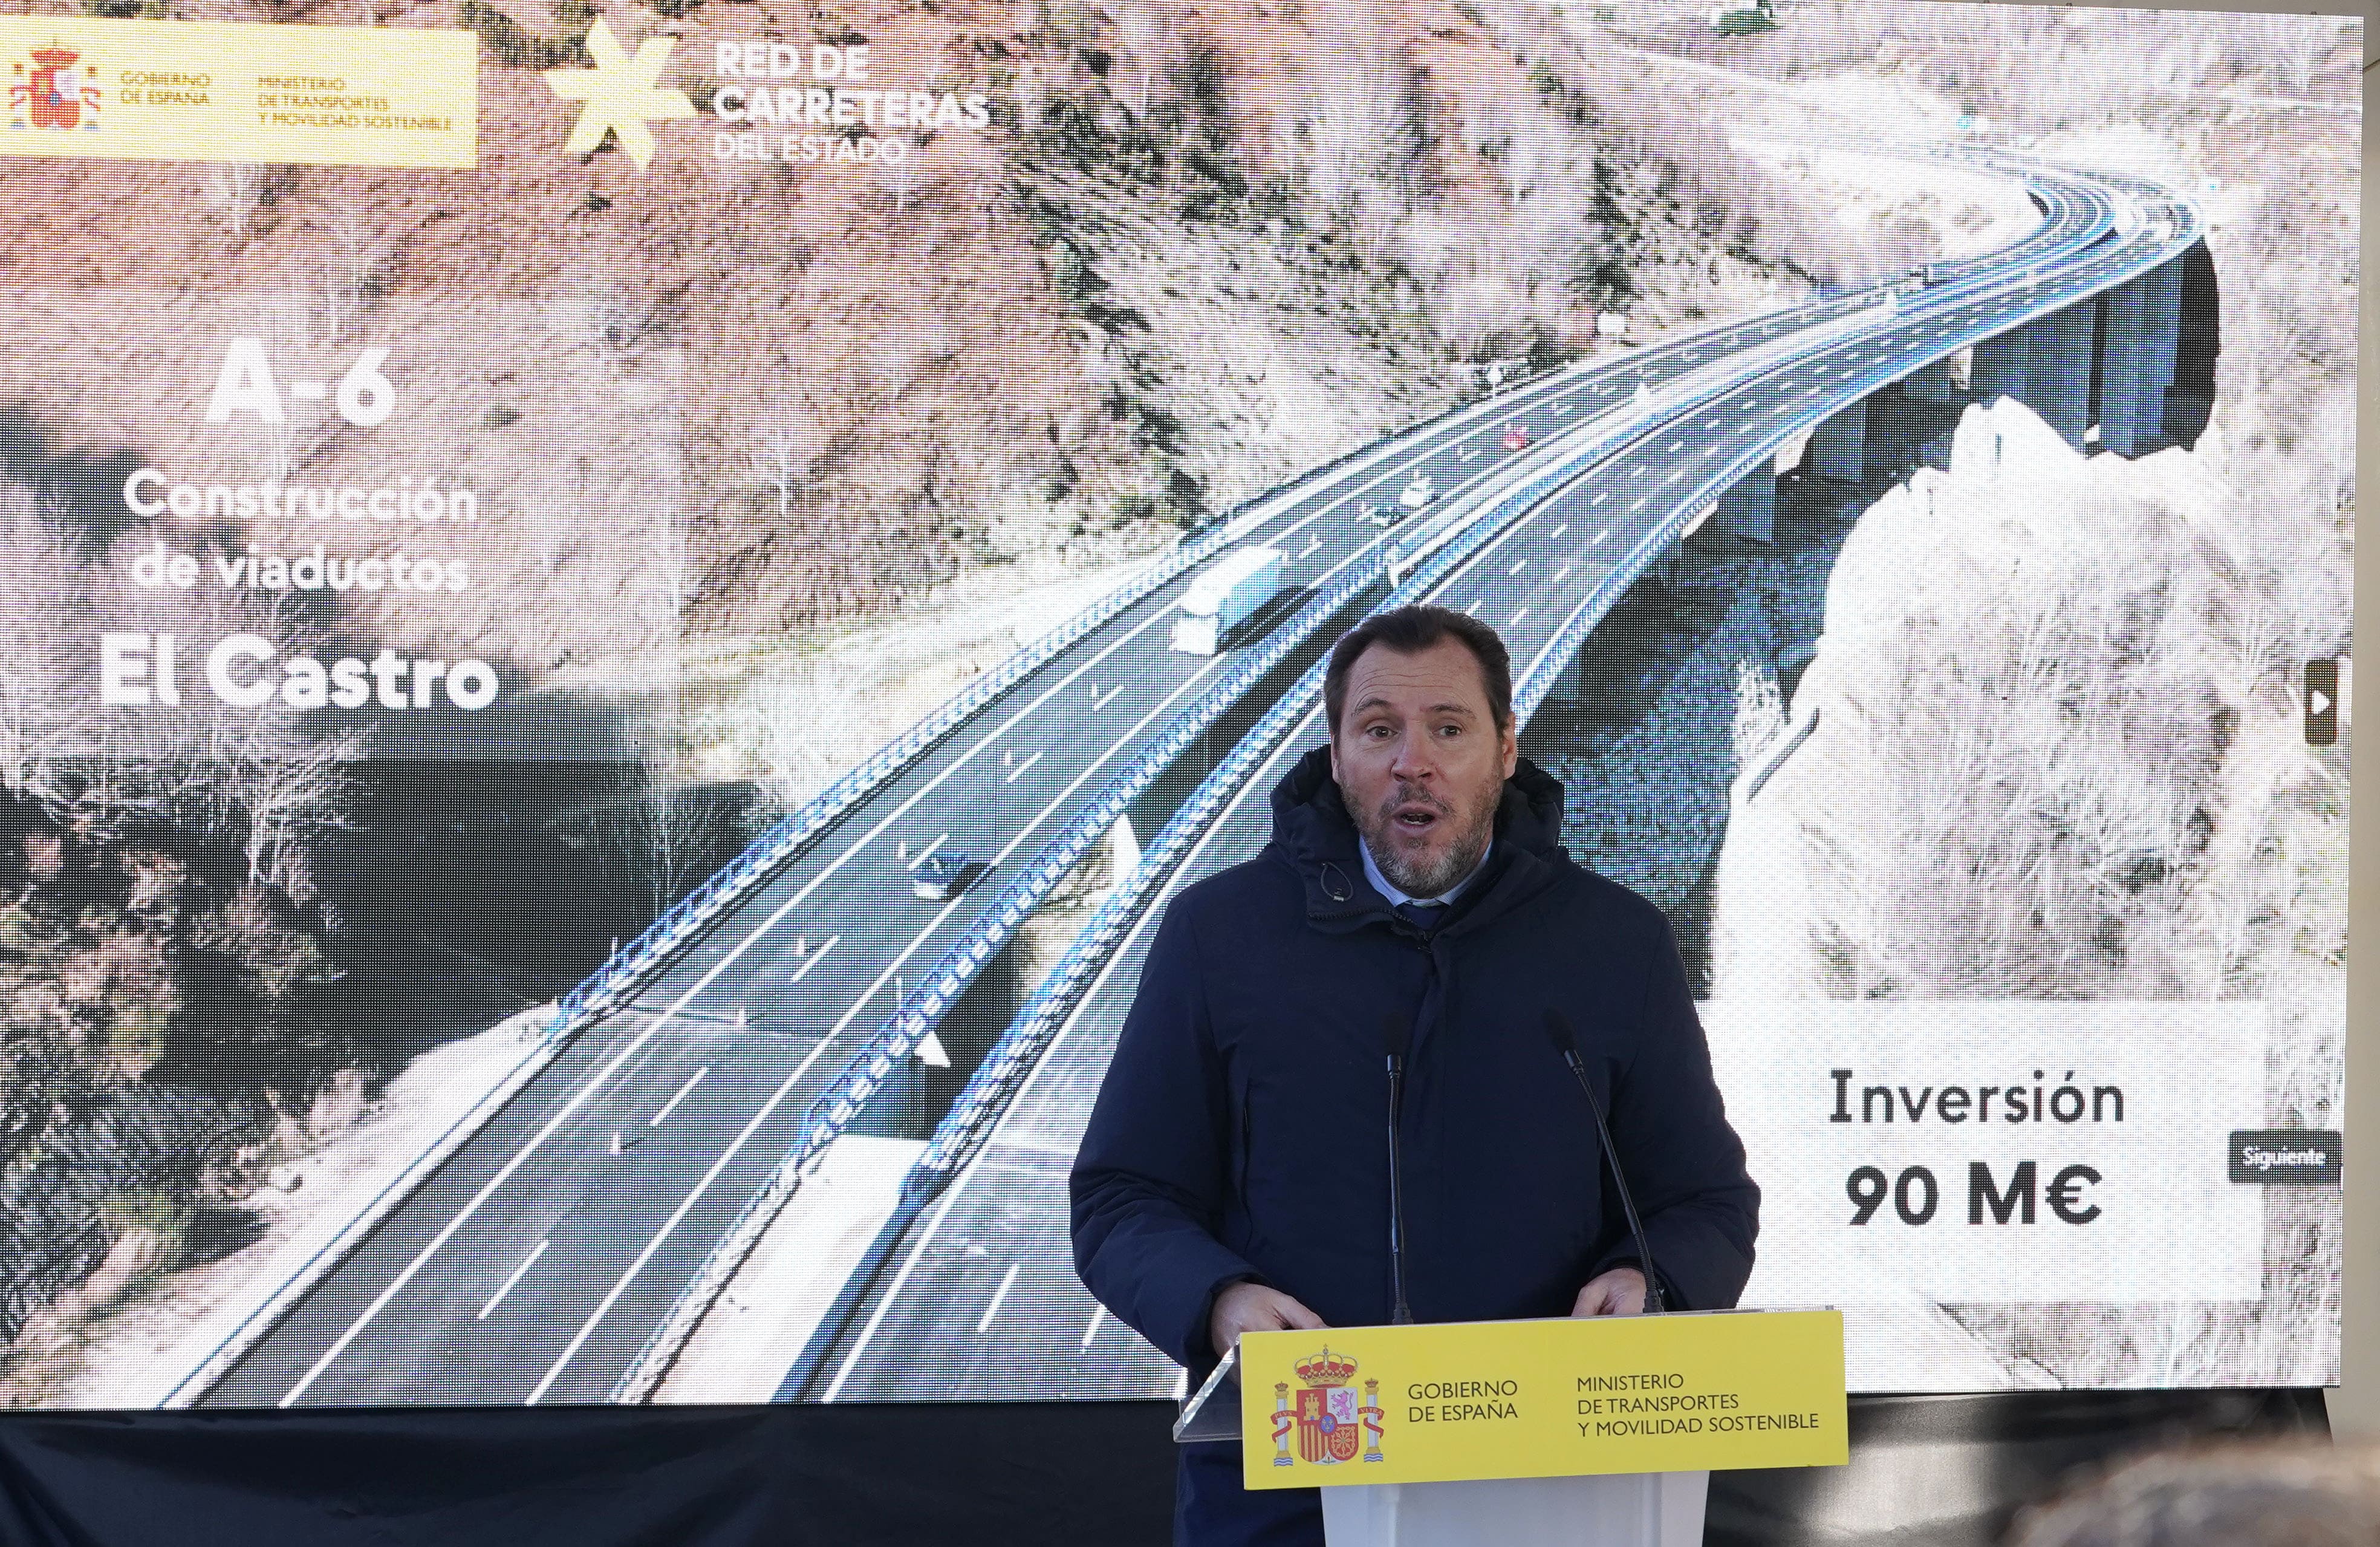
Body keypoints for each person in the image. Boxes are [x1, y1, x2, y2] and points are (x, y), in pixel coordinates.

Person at [1069, 603, 1760, 1546]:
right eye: (1380, 729)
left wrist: (1657, 1279)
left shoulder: (1617, 945)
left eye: (1449, 727)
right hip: (1291, 1487)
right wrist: (1217, 1299)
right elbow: (1122, 1196)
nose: (1413, 761)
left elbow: (1707, 1200)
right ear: (1339, 753)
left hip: (1549, 1478)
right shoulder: (1217, 937)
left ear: (1507, 747)